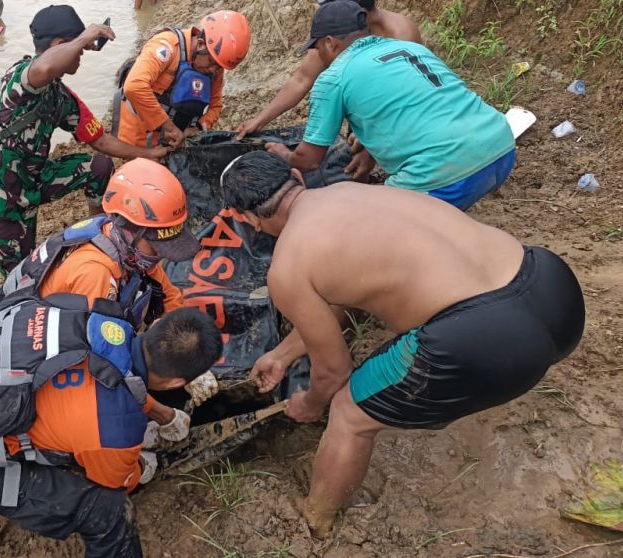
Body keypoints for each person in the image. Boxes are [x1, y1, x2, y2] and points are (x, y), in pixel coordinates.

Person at [219, 152, 585, 537]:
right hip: (552, 287)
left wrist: (309, 404)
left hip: (483, 337)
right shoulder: (353, 192)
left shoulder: (289, 266)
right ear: (295, 176)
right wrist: (283, 353)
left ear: (248, 219)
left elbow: (334, 371)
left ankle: (317, 520)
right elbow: (347, 292)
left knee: (347, 411)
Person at [0, 307, 223, 558]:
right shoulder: (116, 429)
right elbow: (115, 484)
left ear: (156, 323)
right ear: (173, 383)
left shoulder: (96, 319)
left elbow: (117, 376)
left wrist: (157, 414)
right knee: (108, 512)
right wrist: (140, 466)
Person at [0, 157, 210, 435]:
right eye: (157, 247)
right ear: (130, 230)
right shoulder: (95, 275)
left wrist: (187, 356)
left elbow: (167, 294)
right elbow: (103, 367)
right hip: (44, 358)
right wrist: (161, 414)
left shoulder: (116, 236)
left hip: (79, 325)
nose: (160, 256)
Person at [0, 4, 167, 276]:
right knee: (21, 276)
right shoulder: (21, 78)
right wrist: (85, 36)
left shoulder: (61, 97)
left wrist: (149, 153)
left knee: (99, 167)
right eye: (80, 50)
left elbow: (101, 140)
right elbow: (44, 67)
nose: (81, 57)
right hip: (3, 200)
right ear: (61, 44)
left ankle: (100, 237)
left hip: (34, 181)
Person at [267, 0, 515, 210]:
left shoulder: (333, 77)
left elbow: (309, 160)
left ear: (330, 42)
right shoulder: (408, 48)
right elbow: (411, 104)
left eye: (317, 46)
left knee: (366, 222)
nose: (318, 54)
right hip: (501, 148)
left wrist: (284, 155)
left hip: (449, 174)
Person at [236, 0, 422, 142]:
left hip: (406, 116)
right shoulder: (338, 34)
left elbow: (409, 93)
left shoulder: (401, 34)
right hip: (363, 110)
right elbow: (301, 80)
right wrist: (259, 120)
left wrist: (376, 128)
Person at [114, 10, 251, 149]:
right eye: (213, 63)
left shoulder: (214, 66)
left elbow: (215, 106)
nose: (213, 70)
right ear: (201, 44)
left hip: (175, 142)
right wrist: (169, 127)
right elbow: (134, 86)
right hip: (138, 139)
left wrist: (199, 127)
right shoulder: (167, 46)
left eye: (220, 67)